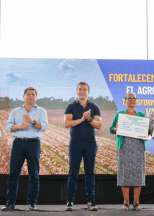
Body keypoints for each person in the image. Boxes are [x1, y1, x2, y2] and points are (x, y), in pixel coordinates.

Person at [1, 87, 48, 211]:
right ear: (24, 96)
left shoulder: (41, 111)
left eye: (33, 94)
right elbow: (8, 127)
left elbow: (43, 127)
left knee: (34, 174)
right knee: (13, 174)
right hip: (18, 143)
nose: (31, 96)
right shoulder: (16, 111)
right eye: (28, 94)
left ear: (36, 97)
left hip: (34, 144)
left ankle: (32, 203)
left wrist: (32, 121)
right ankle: (10, 203)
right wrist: (19, 126)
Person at [64, 81, 102, 211]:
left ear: (88, 92)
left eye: (84, 89)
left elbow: (99, 125)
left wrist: (89, 118)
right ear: (77, 91)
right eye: (80, 89)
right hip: (75, 144)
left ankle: (91, 201)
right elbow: (67, 123)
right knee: (73, 172)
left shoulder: (94, 107)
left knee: (90, 173)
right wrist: (82, 119)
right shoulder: (71, 107)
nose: (82, 91)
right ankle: (70, 201)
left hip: (90, 144)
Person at [109, 92, 145, 210]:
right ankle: (126, 200)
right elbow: (111, 128)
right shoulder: (119, 114)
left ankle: (136, 201)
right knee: (124, 173)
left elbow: (147, 131)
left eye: (133, 98)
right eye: (129, 98)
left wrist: (147, 132)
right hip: (124, 146)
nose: (131, 100)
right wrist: (116, 129)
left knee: (137, 172)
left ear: (136, 101)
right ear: (125, 101)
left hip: (138, 147)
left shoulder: (141, 115)